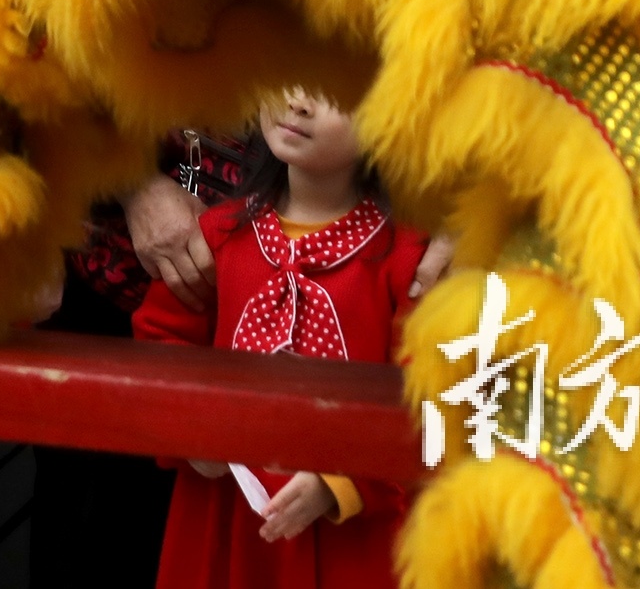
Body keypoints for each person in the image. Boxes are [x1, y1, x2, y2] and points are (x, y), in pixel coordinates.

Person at [132, 91, 428, 589]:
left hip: (352, 538)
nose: (299, 103)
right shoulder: (217, 236)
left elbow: (429, 396)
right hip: (227, 523)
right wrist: (189, 430)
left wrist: (343, 483)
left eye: (334, 93)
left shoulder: (404, 261)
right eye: (288, 76)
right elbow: (159, 341)